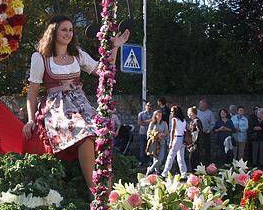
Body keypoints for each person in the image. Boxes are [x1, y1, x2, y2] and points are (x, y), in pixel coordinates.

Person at [23, 15, 129, 189]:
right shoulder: (41, 57)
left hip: (80, 104)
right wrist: (30, 119)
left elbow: (104, 70)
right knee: (85, 134)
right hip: (57, 108)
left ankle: (109, 194)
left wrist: (114, 47)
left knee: (101, 134)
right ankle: (95, 191)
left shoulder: (77, 54)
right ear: (53, 31)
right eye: (64, 29)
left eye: (71, 30)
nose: (68, 33)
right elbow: (33, 91)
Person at [162, 105, 188, 178]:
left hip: (177, 138)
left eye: (172, 111)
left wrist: (171, 142)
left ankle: (165, 173)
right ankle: (184, 174)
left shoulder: (174, 119)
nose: (171, 112)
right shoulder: (183, 120)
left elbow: (173, 131)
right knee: (181, 158)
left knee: (170, 156)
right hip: (182, 138)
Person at [145, 110, 168, 175]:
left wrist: (163, 135)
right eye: (158, 115)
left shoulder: (164, 123)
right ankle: (156, 172)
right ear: (155, 115)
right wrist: (157, 134)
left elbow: (167, 133)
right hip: (154, 143)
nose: (160, 117)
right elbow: (148, 133)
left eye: (161, 115)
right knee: (155, 159)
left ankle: (150, 169)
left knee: (160, 159)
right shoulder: (152, 123)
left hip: (162, 143)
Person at [196, 99, 215, 165]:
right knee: (198, 148)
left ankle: (207, 163)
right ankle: (198, 162)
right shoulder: (196, 112)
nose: (202, 106)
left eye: (203, 105)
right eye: (201, 105)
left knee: (207, 149)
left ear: (206, 105)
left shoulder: (209, 112)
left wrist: (209, 130)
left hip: (206, 133)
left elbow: (212, 123)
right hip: (198, 134)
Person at [137, 102, 154, 166]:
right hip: (142, 133)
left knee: (150, 148)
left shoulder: (153, 114)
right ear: (145, 106)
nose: (149, 107)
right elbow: (139, 123)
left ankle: (149, 162)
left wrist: (144, 122)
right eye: (148, 105)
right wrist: (149, 121)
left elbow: (153, 122)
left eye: (150, 106)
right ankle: (141, 161)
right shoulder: (141, 114)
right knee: (142, 148)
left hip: (150, 134)